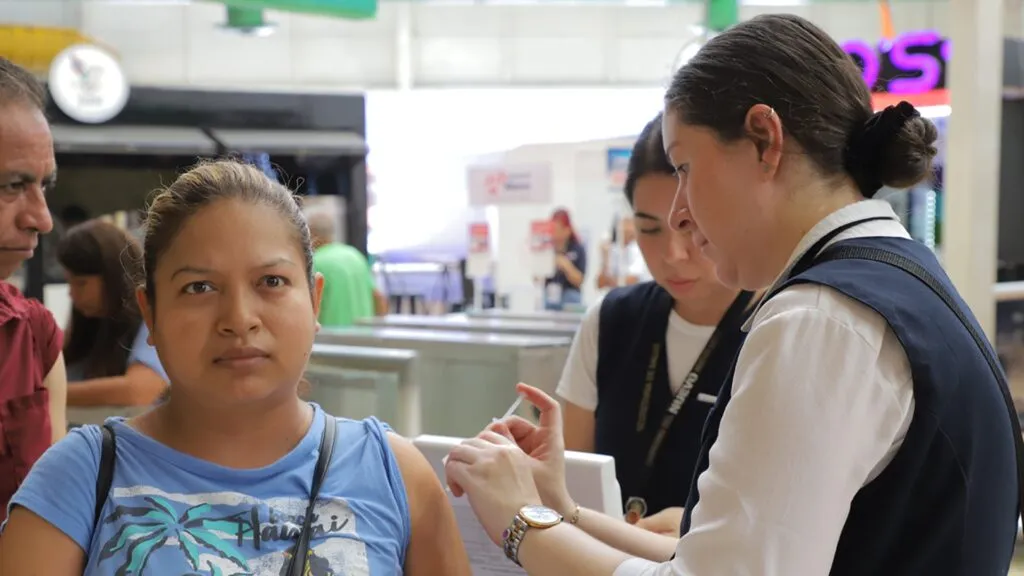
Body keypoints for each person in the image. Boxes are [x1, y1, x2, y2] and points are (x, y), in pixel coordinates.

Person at [442, 14, 1020, 576]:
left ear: (765, 141)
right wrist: (561, 513)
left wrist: (519, 523)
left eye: (686, 168)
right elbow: (715, 556)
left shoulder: (820, 320)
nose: (679, 214)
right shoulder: (896, 279)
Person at [0, 160, 471, 575]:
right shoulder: (76, 479)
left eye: (271, 281)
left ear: (314, 300)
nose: (239, 319)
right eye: (199, 288)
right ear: (151, 315)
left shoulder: (397, 476)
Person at [558, 115, 753, 537]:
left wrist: (693, 529)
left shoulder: (778, 325)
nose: (674, 254)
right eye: (648, 229)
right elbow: (570, 481)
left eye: (692, 225)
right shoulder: (611, 320)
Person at [0, 57, 67, 522]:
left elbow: (56, 520)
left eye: (44, 185)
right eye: (11, 185)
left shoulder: (34, 335)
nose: (41, 218)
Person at [58, 219, 169, 407]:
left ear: (113, 277)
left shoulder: (154, 317)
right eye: (69, 283)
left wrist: (45, 395)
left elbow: (139, 391)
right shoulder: (87, 325)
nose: (71, 293)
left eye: (81, 283)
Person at [306, 209, 388, 327]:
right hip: (365, 338)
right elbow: (378, 297)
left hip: (332, 340)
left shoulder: (315, 263)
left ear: (311, 234)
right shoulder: (355, 255)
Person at [544, 208, 587, 310]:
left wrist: (565, 265)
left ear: (567, 230)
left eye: (557, 229)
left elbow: (579, 280)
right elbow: (537, 278)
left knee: (571, 298)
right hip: (550, 297)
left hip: (571, 297)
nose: (554, 233)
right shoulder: (547, 249)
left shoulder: (577, 249)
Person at [596, 214, 649, 290]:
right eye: (623, 223)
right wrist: (605, 259)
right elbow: (600, 284)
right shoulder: (613, 249)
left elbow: (630, 281)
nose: (625, 227)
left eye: (628, 223)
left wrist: (610, 281)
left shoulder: (639, 249)